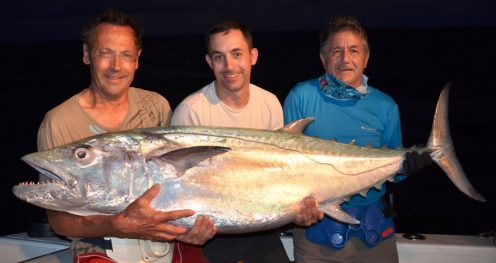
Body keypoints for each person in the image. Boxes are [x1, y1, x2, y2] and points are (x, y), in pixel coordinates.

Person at [37, 9, 215, 263]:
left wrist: (191, 227)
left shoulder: (156, 106)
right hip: (98, 245)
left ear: (137, 59)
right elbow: (59, 221)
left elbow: (179, 185)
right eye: (105, 53)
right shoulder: (59, 122)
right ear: (87, 55)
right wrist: (117, 225)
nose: (116, 66)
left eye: (125, 55)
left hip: (162, 238)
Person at [171, 20, 322, 263]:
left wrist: (297, 207)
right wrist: (187, 231)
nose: (229, 66)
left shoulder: (269, 102)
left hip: (261, 227)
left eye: (237, 54)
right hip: (213, 233)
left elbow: (279, 174)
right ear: (209, 62)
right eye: (219, 57)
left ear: (253, 56)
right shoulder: (190, 112)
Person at [283, 16, 432, 263]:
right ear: (323, 58)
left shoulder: (385, 106)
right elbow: (288, 167)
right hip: (315, 233)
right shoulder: (301, 96)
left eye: (354, 50)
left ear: (366, 58)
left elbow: (394, 169)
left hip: (374, 233)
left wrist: (408, 166)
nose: (345, 59)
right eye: (336, 51)